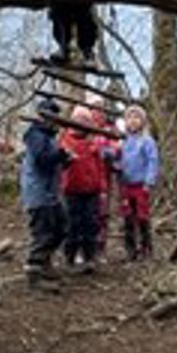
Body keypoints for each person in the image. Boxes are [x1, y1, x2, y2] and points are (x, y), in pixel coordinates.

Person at [20, 95, 70, 287]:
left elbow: (53, 163)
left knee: (61, 227)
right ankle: (34, 273)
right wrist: (61, 154)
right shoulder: (35, 135)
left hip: (51, 193)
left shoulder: (49, 137)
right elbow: (43, 160)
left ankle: (45, 262)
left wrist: (65, 160)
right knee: (43, 233)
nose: (55, 121)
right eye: (51, 116)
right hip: (38, 194)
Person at [59, 103, 108, 272]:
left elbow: (100, 167)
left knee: (91, 224)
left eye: (85, 120)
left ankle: (89, 257)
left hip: (91, 191)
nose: (81, 123)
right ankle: (70, 257)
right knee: (73, 225)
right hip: (71, 191)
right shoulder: (65, 140)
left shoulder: (93, 142)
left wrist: (102, 189)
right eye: (78, 119)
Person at [118, 102, 160, 259]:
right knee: (128, 217)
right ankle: (130, 250)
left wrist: (149, 181)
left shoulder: (147, 141)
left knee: (142, 217)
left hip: (141, 185)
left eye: (136, 117)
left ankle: (146, 248)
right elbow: (119, 159)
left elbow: (153, 160)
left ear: (143, 121)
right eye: (129, 117)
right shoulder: (123, 140)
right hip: (126, 185)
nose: (133, 121)